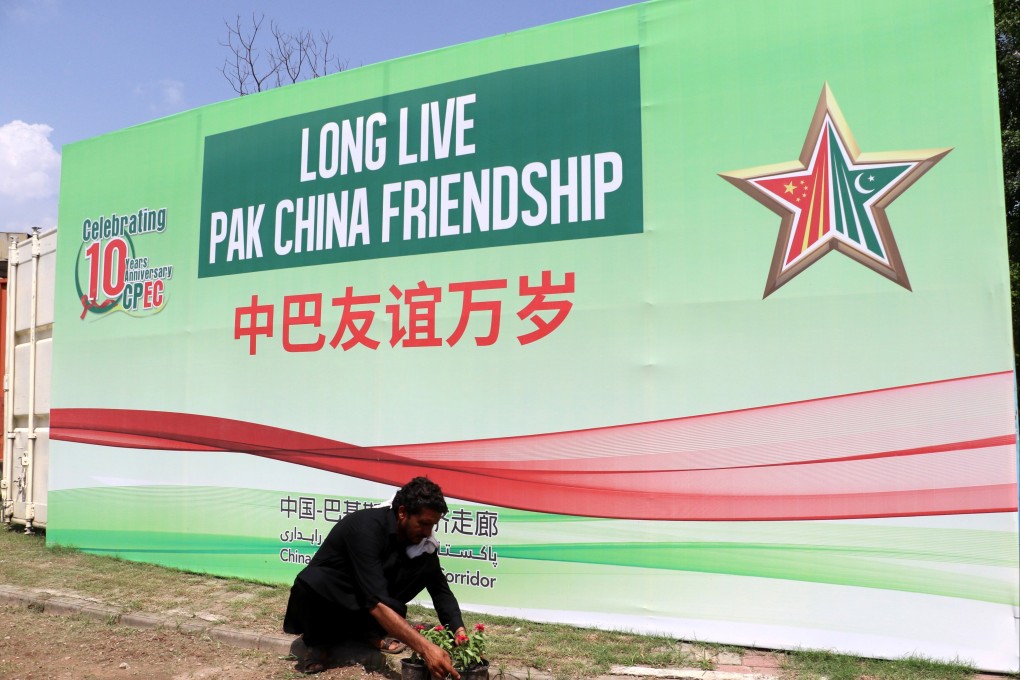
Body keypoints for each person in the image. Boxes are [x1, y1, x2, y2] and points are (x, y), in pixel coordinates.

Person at [283, 477, 466, 678]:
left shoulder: (423, 543)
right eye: (423, 524)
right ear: (403, 513)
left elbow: (440, 591)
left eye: (433, 525)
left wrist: (458, 629)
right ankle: (318, 643)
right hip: (332, 600)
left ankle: (367, 632)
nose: (427, 532)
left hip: (365, 597)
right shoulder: (366, 527)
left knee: (424, 568)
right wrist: (426, 649)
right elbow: (375, 601)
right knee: (311, 582)